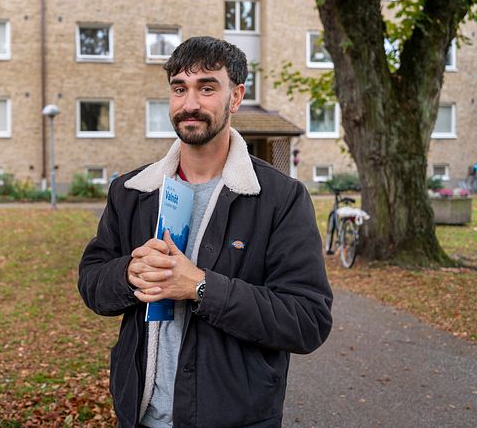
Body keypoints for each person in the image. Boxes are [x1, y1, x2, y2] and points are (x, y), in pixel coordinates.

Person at [78, 36, 333, 427]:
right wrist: (128, 273)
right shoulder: (133, 192)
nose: (190, 103)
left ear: (236, 97)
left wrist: (201, 286)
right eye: (179, 88)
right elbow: (92, 282)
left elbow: (307, 320)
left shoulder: (279, 198)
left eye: (207, 88)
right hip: (140, 415)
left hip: (234, 417)